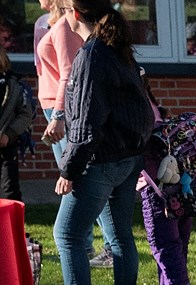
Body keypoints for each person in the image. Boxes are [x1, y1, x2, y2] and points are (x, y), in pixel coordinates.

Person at [34, 0, 153, 285]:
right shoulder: (117, 50)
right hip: (127, 157)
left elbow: (87, 121)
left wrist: (69, 169)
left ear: (75, 15)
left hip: (101, 160)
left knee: (67, 234)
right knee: (119, 237)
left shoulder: (91, 56)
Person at [35, 0, 108, 265]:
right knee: (74, 178)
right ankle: (85, 243)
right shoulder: (49, 24)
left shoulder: (67, 25)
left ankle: (103, 245)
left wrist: (58, 115)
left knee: (78, 176)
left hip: (61, 108)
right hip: (51, 104)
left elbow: (68, 73)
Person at [133, 72, 196, 285]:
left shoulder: (138, 109)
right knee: (176, 244)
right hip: (177, 185)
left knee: (165, 247)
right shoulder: (153, 106)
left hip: (156, 188)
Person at [0, 47, 32, 203]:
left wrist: (9, 134)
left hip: (7, 146)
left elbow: (25, 115)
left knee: (10, 190)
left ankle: (12, 227)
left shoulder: (13, 85)